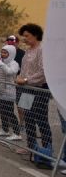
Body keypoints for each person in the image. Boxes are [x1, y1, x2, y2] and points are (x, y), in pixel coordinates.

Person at [15, 23, 53, 166]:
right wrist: (19, 77)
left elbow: (43, 72)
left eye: (27, 36)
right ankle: (31, 147)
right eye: (23, 36)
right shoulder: (28, 51)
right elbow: (24, 69)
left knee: (41, 120)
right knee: (28, 118)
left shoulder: (42, 50)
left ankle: (46, 150)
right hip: (26, 89)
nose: (24, 39)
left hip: (38, 89)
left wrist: (25, 80)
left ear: (35, 35)